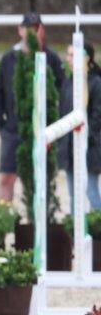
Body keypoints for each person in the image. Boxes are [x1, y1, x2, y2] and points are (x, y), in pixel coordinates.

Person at [0, 12, 65, 203]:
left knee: (39, 179)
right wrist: (0, 123)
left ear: (41, 31)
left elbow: (62, 90)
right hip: (13, 129)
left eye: (35, 29)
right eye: (28, 29)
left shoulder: (51, 58)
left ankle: (38, 216)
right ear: (20, 30)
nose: (32, 33)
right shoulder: (9, 58)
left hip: (42, 128)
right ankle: (1, 217)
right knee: (6, 178)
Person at [58, 42, 101, 215]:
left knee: (90, 191)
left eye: (73, 55)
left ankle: (98, 223)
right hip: (69, 146)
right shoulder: (68, 82)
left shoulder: (96, 83)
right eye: (68, 54)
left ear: (86, 58)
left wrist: (85, 136)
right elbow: (62, 113)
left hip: (90, 146)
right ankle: (74, 226)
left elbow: (97, 116)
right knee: (73, 194)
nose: (68, 59)